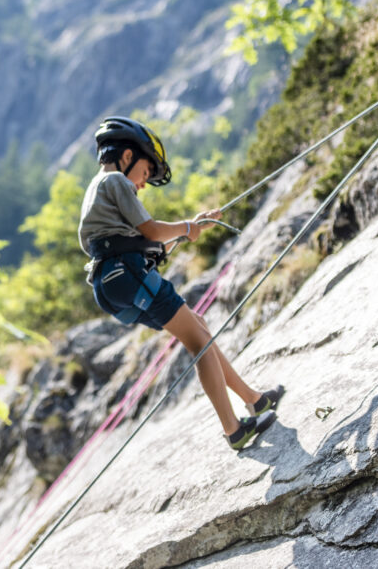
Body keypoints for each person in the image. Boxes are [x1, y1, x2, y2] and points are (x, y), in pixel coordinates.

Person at [78, 116, 283, 450]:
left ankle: (254, 400)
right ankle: (234, 430)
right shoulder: (115, 180)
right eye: (146, 172)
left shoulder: (95, 191)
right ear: (127, 156)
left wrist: (190, 228)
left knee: (197, 327)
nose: (143, 184)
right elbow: (152, 231)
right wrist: (187, 227)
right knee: (199, 341)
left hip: (110, 285)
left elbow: (128, 241)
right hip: (126, 273)